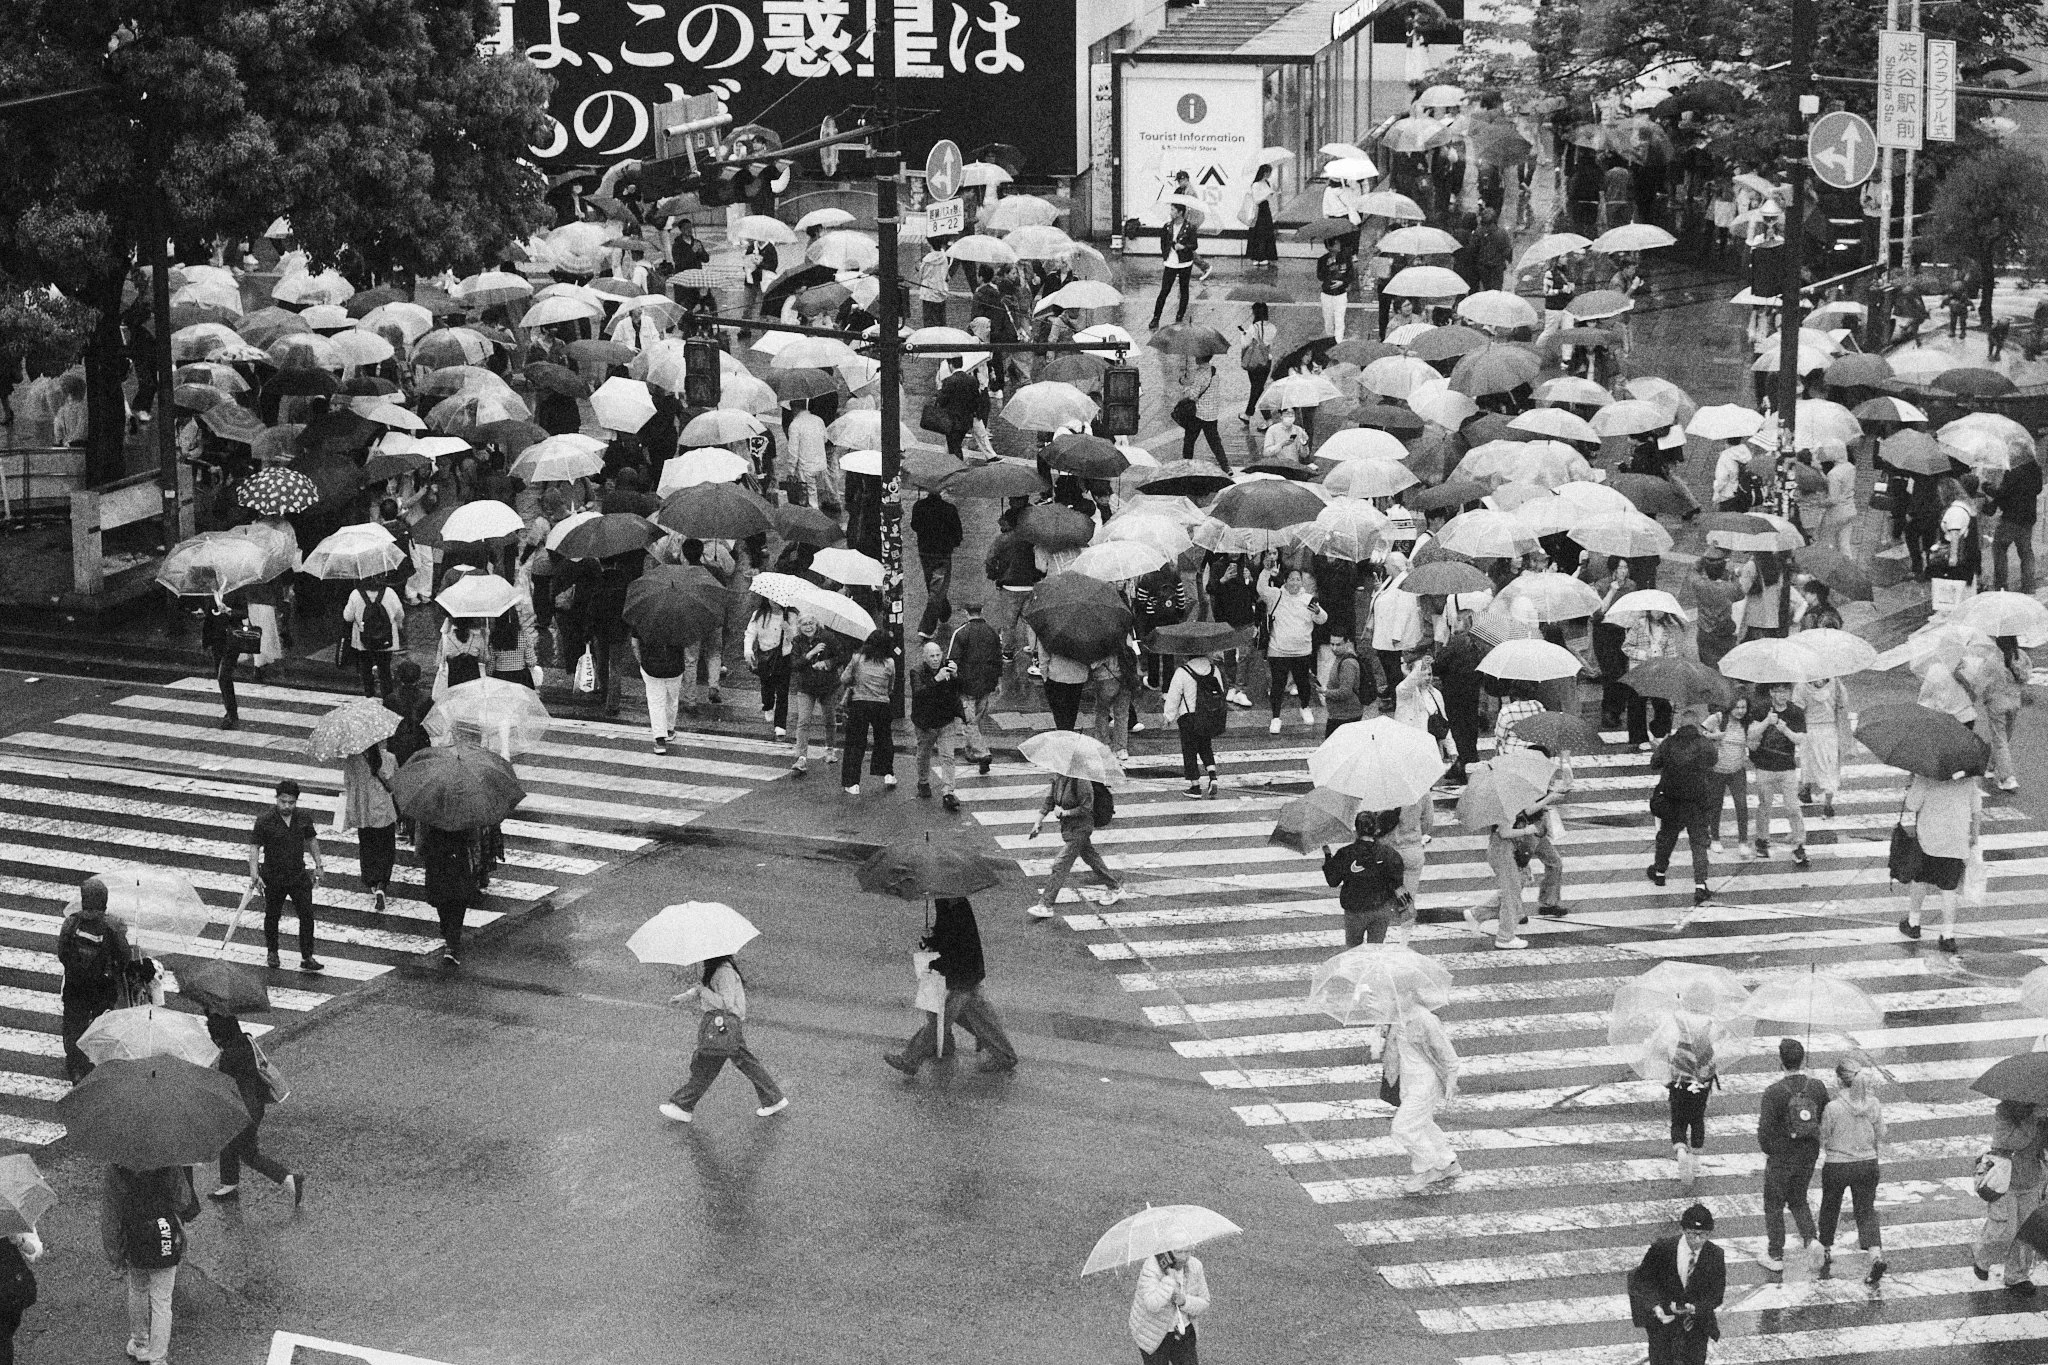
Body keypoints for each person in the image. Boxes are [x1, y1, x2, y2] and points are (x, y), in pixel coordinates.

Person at [885, 897, 1018, 1075]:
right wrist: (933, 936)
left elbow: (955, 942)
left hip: (962, 975)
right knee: (963, 1015)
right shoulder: (947, 902)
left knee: (943, 1016)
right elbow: (947, 935)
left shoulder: (957, 907)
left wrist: (935, 940)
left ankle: (911, 1059)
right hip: (957, 971)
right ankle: (951, 1044)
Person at [658, 953, 789, 1122]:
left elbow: (725, 1003)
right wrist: (686, 996)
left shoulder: (723, 972)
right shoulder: (717, 969)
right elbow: (704, 989)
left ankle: (683, 1106)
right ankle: (774, 1099)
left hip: (723, 1026)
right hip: (725, 1026)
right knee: (742, 1063)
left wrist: (702, 990)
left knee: (707, 1064)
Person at [205, 1009, 304, 1205]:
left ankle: (289, 1179)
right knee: (229, 1144)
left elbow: (224, 1083)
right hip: (254, 1105)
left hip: (243, 1109)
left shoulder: (229, 1056)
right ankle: (229, 1184)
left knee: (248, 1154)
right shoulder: (246, 1042)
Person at [102, 1163, 196, 1365]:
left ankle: (139, 1343)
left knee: (138, 1289)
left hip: (135, 1237)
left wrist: (115, 1253)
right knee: (162, 1300)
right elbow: (184, 1199)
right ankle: (158, 1358)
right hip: (164, 1235)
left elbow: (111, 1213)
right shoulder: (168, 1160)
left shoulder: (116, 1165)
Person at [1757, 1036, 1829, 1272]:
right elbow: (1825, 1118)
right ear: (1803, 1059)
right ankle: (1811, 1239)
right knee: (1798, 1198)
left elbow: (1764, 1132)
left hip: (1782, 1156)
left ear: (1781, 1062)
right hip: (1808, 1153)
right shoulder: (1817, 1087)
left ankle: (1776, 1254)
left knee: (1774, 1204)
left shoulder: (1773, 1092)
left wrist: (1771, 1152)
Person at [1815, 1057, 1886, 1283]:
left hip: (1837, 1165)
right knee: (1866, 1211)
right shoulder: (1872, 1104)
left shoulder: (1832, 1108)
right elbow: (1881, 1133)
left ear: (1838, 1080)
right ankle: (1875, 1256)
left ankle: (1826, 1249)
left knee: (1830, 1207)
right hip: (1867, 1164)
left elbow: (1823, 1138)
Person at [1629, 1204, 1726, 1365]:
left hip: (1695, 1327)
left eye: (1703, 1235)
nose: (1697, 1240)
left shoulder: (1715, 1255)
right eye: (1692, 1234)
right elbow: (1641, 1281)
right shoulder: (1662, 1249)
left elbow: (1716, 1295)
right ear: (1683, 1230)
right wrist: (1656, 1307)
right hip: (1664, 1324)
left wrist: (1695, 1308)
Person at [1897, 769, 1982, 951]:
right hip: (1956, 842)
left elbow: (1912, 805)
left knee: (1920, 880)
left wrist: (1911, 785)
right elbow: (1976, 809)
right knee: (1949, 889)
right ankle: (1948, 935)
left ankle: (1913, 923)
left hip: (1928, 840)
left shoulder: (1925, 776)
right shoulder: (1967, 778)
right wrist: (1974, 835)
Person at [1647, 706, 1719, 915]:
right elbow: (1713, 761)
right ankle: (1700, 885)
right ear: (1696, 725)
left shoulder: (1669, 743)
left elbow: (1655, 763)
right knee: (1698, 843)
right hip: (1697, 801)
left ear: (1679, 724)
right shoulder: (1704, 744)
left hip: (1672, 800)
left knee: (1667, 837)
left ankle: (1660, 872)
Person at [58, 874, 131, 1081]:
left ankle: (75, 1066)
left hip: (75, 985)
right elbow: (123, 957)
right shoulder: (112, 926)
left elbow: (62, 953)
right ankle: (95, 1064)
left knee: (73, 1024)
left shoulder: (72, 923)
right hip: (102, 986)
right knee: (100, 1024)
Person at [248, 779, 325, 973]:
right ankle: (272, 952)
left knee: (306, 915)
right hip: (273, 876)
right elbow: (255, 847)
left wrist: (319, 865)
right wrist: (254, 873)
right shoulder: (265, 820)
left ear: (296, 801)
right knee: (272, 915)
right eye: (283, 801)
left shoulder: (303, 818)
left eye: (291, 802)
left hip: (298, 875)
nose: (287, 806)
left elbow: (312, 840)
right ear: (277, 799)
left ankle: (307, 956)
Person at [1385, 995, 1461, 1191]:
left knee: (1402, 1128)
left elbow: (1447, 1052)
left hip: (1425, 1083)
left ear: (1410, 994)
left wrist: (1451, 1079)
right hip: (1408, 1081)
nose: (1392, 1000)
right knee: (1423, 1123)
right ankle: (1447, 1163)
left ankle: (1426, 1168)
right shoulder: (1397, 1016)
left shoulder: (1426, 1019)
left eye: (1396, 996)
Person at [1028, 769, 1122, 917]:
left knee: (1060, 864)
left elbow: (1086, 808)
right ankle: (1114, 886)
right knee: (1090, 857)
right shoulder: (1058, 777)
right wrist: (1038, 822)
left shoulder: (1081, 781)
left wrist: (1065, 813)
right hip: (1069, 828)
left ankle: (1046, 905)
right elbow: (1050, 801)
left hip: (1081, 828)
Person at [1975, 1099, 2045, 1293]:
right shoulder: (2004, 1112)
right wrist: (2033, 1119)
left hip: (2031, 1179)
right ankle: (1982, 1257)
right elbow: (2013, 1142)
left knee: (2027, 1232)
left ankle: (2017, 1275)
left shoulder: (2043, 1114)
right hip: (2005, 1181)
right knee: (2005, 1230)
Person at [1259, 562, 1326, 733]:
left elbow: (1322, 619)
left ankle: (1305, 707)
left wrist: (1318, 612)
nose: (1295, 583)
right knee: (1278, 685)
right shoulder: (1276, 595)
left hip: (1302, 651)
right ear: (1285, 580)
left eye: (1298, 579)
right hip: (1278, 650)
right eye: (1291, 579)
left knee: (1303, 683)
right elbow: (1261, 588)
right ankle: (1275, 717)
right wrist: (1266, 570)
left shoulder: (1308, 599)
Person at [1324, 810, 1408, 945]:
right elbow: (1397, 881)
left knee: (1353, 951)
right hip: (1380, 908)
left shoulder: (1345, 853)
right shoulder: (1389, 853)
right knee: (1375, 951)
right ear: (1376, 829)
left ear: (1356, 830)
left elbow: (1333, 881)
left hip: (1355, 910)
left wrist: (1328, 856)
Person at [1748, 683, 1809, 867]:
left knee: (1792, 807)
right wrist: (1767, 721)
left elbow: (1801, 739)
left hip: (1787, 767)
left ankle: (1799, 844)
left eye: (1786, 691)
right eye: (1779, 691)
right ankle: (1762, 840)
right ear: (1771, 693)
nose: (1783, 695)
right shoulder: (1760, 710)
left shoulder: (1796, 712)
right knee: (1765, 805)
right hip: (1764, 766)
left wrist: (1785, 730)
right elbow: (1750, 734)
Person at [1659, 1015, 1720, 1188]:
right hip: (1701, 1082)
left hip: (1680, 1081)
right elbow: (1718, 1041)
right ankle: (1695, 1160)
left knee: (1678, 1121)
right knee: (1697, 1119)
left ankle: (1680, 1150)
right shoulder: (1710, 1022)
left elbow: (1664, 1045)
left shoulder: (1677, 1019)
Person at [338, 741, 398, 913]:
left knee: (367, 846)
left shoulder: (352, 760)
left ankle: (372, 881)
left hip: (362, 811)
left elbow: (348, 784)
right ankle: (382, 883)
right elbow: (394, 786)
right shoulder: (389, 758)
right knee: (386, 847)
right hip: (383, 811)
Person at [945, 600, 1002, 775]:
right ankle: (970, 752)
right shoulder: (992, 632)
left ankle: (983, 753)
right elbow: (998, 659)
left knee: (968, 723)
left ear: (965, 612)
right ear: (982, 611)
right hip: (986, 684)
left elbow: (951, 660)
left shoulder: (961, 633)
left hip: (966, 685)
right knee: (976, 721)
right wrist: (998, 682)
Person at [840, 628, 898, 795]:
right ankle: (887, 773)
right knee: (884, 739)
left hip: (859, 704)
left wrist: (855, 681)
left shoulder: (857, 659)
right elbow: (890, 687)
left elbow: (844, 678)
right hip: (881, 705)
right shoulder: (890, 663)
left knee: (855, 743)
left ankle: (852, 783)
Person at [787, 615, 845, 778]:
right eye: (804, 624)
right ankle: (801, 758)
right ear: (799, 627)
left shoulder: (828, 637)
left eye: (811, 623)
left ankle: (830, 749)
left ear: (817, 623)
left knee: (829, 719)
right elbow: (794, 665)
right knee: (803, 721)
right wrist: (810, 654)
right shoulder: (798, 641)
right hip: (806, 686)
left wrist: (826, 664)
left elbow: (841, 656)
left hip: (827, 685)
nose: (808, 627)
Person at [909, 641, 965, 810]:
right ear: (924, 658)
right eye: (931, 656)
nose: (935, 659)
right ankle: (923, 781)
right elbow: (919, 695)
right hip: (926, 722)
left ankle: (948, 791)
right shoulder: (916, 672)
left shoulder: (947, 667)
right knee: (924, 753)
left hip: (946, 720)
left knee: (948, 756)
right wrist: (936, 679)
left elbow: (960, 689)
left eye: (938, 655)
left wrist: (956, 676)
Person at [1129, 1247, 1209, 1365]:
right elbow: (1152, 1304)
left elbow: (1204, 1302)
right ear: (1168, 1250)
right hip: (1153, 1334)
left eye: (1187, 1251)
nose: (1184, 1257)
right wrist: (1169, 1281)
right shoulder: (1151, 1267)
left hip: (1183, 1331)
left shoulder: (1195, 1266)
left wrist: (1184, 1302)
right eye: (1179, 1252)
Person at [1164, 649, 1226, 796]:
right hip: (1207, 715)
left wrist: (1168, 716)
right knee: (1205, 745)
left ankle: (1195, 786)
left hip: (1188, 717)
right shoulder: (1213, 669)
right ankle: (1212, 776)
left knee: (1189, 750)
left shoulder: (1182, 672)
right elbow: (1221, 690)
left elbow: (1174, 696)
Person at [1623, 608, 1681, 750]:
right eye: (1655, 610)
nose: (1658, 613)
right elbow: (1626, 647)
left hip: (1659, 671)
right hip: (1639, 671)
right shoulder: (1639, 625)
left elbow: (1672, 653)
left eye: (1661, 611)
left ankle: (1660, 732)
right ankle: (1639, 737)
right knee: (1637, 705)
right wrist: (1643, 654)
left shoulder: (1668, 629)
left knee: (1662, 703)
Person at [910, 486, 963, 641]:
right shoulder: (950, 509)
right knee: (937, 589)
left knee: (933, 587)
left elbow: (915, 526)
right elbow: (957, 534)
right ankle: (937, 616)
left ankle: (934, 620)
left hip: (925, 552)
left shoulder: (919, 506)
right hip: (942, 554)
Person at [1701, 697, 1752, 857]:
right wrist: (1713, 736)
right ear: (1730, 707)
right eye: (1737, 707)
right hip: (1716, 771)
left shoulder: (1747, 722)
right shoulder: (1718, 718)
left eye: (1743, 707)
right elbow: (1698, 732)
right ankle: (1715, 838)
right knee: (1716, 805)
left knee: (1742, 805)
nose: (1740, 711)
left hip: (1737, 770)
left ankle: (1743, 841)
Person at [1793, 673, 1848, 817]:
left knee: (1809, 762)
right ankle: (1828, 799)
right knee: (1829, 765)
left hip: (1809, 729)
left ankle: (1806, 788)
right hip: (1830, 730)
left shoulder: (1802, 686)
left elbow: (1797, 709)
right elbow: (1843, 703)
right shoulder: (1835, 683)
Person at [342, 579, 404, 697]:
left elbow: (348, 617)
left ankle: (369, 694)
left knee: (365, 669)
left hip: (363, 640)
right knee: (385, 669)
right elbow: (400, 613)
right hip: (386, 639)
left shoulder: (355, 594)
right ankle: (387, 697)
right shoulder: (389, 592)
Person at [1990, 453, 2042, 593]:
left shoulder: (2014, 470)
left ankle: (2001, 586)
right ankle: (2029, 586)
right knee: (2026, 552)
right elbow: (2038, 489)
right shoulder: (2035, 469)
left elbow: (2003, 492)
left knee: (1999, 549)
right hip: (2028, 517)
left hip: (2011, 517)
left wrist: (1988, 488)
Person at [202, 591, 254, 729]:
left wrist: (229, 611)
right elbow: (209, 619)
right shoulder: (209, 595)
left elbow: (244, 612)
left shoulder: (235, 591)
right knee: (223, 679)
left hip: (232, 640)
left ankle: (231, 715)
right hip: (216, 641)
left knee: (223, 676)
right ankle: (230, 711)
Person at [744, 600, 794, 737]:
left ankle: (780, 724)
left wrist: (788, 630)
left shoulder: (790, 616)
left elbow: (796, 638)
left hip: (784, 657)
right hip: (765, 656)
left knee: (783, 692)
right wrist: (748, 651)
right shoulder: (759, 615)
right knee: (767, 686)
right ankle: (768, 705)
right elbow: (750, 633)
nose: (775, 602)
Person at [1148, 203, 1200, 329]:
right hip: (1170, 262)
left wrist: (1183, 247)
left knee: (1184, 289)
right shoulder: (1167, 227)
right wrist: (1166, 254)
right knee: (1164, 291)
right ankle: (1156, 317)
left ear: (1180, 212)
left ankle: (1180, 315)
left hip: (1185, 262)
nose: (1170, 212)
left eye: (1173, 210)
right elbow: (1163, 242)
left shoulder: (1190, 227)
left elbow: (1194, 245)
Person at [1177, 356, 1228, 468]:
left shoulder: (1199, 374)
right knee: (1214, 442)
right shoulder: (1214, 371)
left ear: (1200, 359)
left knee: (1189, 440)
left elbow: (1193, 395)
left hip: (1198, 414)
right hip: (1211, 413)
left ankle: (1187, 464)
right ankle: (1225, 466)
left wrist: (1185, 389)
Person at [1317, 242, 1355, 342]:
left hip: (1340, 294)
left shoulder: (1345, 258)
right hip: (1327, 294)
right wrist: (1328, 267)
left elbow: (1351, 275)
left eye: (1339, 243)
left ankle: (1338, 341)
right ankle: (1329, 340)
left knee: (1339, 319)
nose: (1338, 246)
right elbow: (1320, 276)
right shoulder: (1322, 260)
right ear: (1329, 247)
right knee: (1328, 319)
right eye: (1335, 244)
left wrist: (1342, 282)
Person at [1243, 163, 1279, 266]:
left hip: (1266, 210)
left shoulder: (1267, 183)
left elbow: (1269, 198)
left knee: (1266, 233)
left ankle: (1265, 256)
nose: (1269, 174)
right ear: (1264, 172)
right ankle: (1257, 256)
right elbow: (1256, 200)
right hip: (1259, 210)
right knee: (1259, 234)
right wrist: (1267, 195)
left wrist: (1274, 193)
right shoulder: (1256, 184)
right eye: (1268, 172)